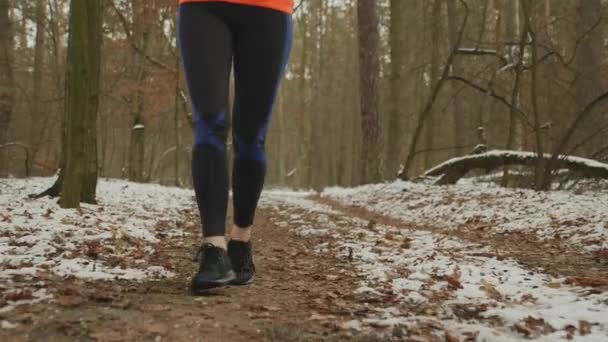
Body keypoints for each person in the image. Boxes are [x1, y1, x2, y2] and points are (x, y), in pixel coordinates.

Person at [177, 0, 294, 295]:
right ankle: (214, 250)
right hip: (203, 7)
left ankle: (241, 241)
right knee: (210, 122)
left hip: (270, 10)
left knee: (251, 135)